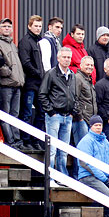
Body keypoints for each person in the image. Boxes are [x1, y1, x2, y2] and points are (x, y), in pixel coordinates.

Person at [39, 46, 76, 176]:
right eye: (64, 57)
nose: (67, 60)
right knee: (52, 149)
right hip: (54, 116)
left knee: (63, 150)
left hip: (68, 116)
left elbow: (74, 95)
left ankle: (62, 177)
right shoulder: (51, 74)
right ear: (58, 58)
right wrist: (51, 112)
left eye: (69, 58)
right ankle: (50, 177)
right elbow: (42, 94)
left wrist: (73, 112)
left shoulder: (72, 76)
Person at [0, 17, 25, 148]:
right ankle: (10, 141)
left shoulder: (12, 44)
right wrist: (8, 72)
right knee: (6, 114)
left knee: (15, 114)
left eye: (9, 27)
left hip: (17, 85)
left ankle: (16, 140)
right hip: (6, 85)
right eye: (4, 26)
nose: (7, 28)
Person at [18, 14, 46, 150]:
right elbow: (25, 62)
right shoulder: (25, 41)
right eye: (35, 26)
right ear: (29, 26)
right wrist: (38, 73)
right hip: (30, 83)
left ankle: (35, 140)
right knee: (27, 112)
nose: (38, 28)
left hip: (40, 84)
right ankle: (25, 140)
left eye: (40, 26)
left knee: (41, 113)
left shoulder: (39, 42)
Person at [72, 56, 98, 166]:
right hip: (81, 120)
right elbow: (74, 98)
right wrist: (80, 117)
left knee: (87, 150)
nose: (90, 67)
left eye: (91, 65)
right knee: (81, 149)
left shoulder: (89, 80)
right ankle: (78, 176)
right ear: (81, 65)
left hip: (89, 120)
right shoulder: (78, 78)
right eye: (87, 65)